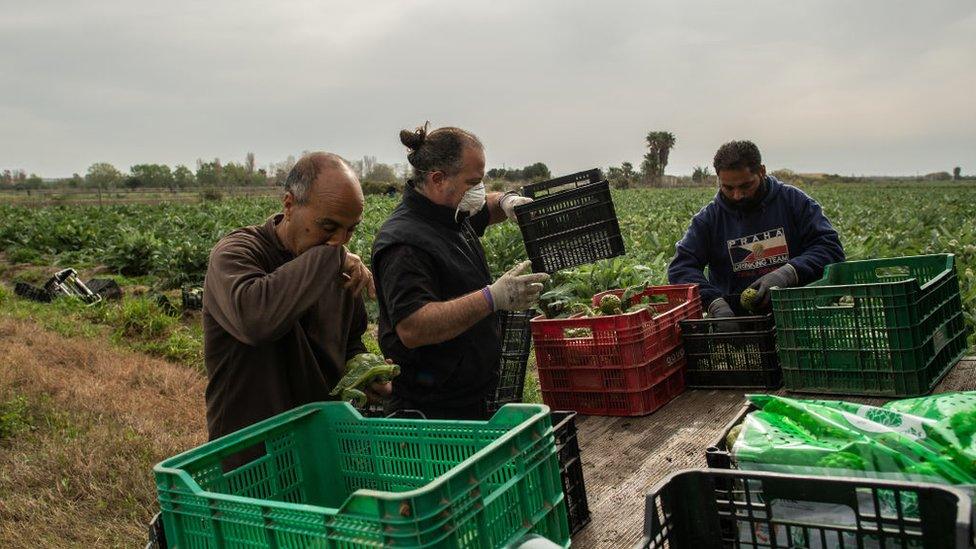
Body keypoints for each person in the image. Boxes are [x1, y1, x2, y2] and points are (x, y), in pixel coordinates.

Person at [202, 152, 388, 443]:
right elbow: (256, 320)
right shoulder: (237, 254)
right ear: (289, 205)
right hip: (251, 450)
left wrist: (364, 372)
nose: (340, 240)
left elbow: (349, 341)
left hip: (318, 443)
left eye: (350, 229)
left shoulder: (338, 268)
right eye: (328, 227)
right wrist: (333, 257)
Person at [371, 123, 548, 420]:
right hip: (432, 410)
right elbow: (413, 327)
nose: (478, 190)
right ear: (438, 179)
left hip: (469, 395)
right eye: (473, 182)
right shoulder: (405, 243)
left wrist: (506, 202)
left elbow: (485, 206)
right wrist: (493, 298)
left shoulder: (450, 211)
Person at [668, 140, 845, 317]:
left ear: (762, 171)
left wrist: (788, 274)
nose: (737, 195)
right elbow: (681, 268)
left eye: (746, 186)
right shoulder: (709, 219)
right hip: (737, 321)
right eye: (728, 188)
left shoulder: (793, 202)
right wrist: (714, 302)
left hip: (798, 315)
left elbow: (830, 249)